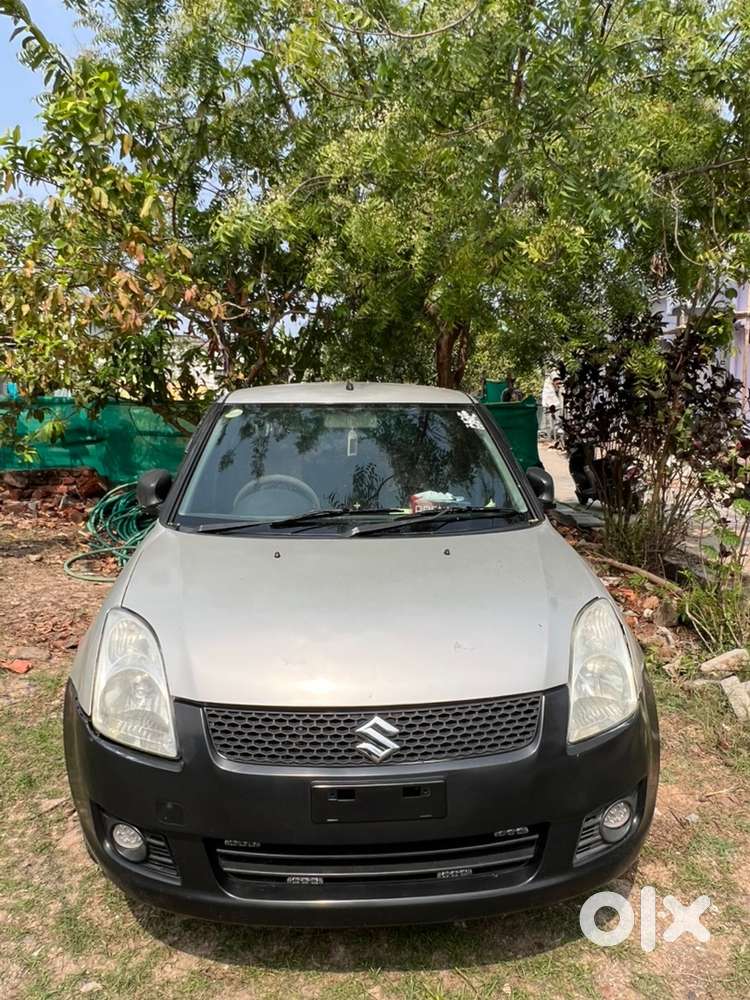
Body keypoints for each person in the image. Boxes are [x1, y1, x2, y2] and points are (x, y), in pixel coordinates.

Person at [541, 374, 564, 447]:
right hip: (550, 404)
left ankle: (556, 439)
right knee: (550, 423)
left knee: (556, 423)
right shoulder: (549, 384)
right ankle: (550, 438)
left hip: (555, 404)